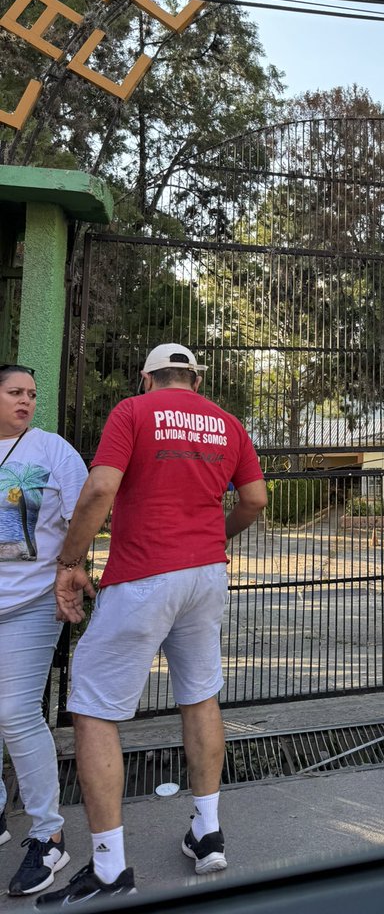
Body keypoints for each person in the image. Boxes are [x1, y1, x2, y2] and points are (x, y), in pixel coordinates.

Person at [36, 344, 267, 906]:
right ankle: (207, 831)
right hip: (206, 576)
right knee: (200, 694)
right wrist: (215, 539)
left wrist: (69, 562)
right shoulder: (227, 423)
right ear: (195, 378)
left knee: (91, 707)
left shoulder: (133, 412)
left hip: (144, 573)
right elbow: (256, 500)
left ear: (146, 378)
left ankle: (111, 867)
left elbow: (99, 488)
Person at [0, 363, 87, 896]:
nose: (26, 401)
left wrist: (72, 569)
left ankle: (49, 836)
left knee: (14, 712)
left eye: (31, 394)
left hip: (32, 601)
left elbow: (86, 512)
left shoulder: (52, 451)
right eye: (14, 393)